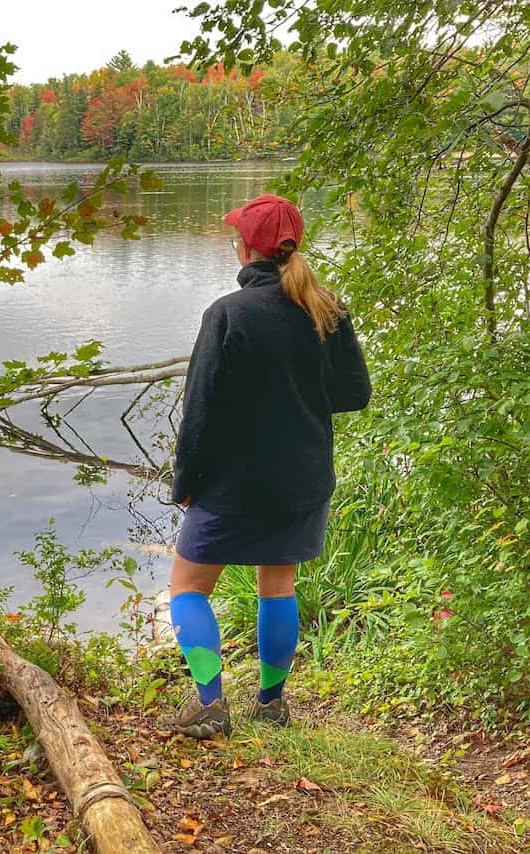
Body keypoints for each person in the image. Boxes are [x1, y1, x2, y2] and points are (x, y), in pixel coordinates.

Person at [159, 194, 371, 740]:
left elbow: (201, 409)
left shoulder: (228, 314)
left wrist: (186, 482)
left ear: (247, 247)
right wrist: (297, 393)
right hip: (302, 479)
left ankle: (209, 704)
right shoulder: (326, 308)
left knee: (187, 587)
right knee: (278, 586)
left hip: (234, 483)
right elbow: (354, 393)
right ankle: (272, 705)